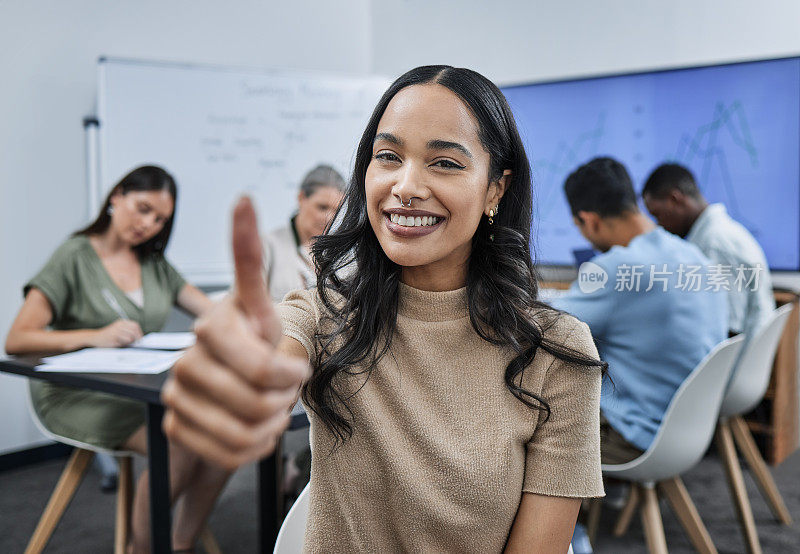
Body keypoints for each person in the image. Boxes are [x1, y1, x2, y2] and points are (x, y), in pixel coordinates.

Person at [162, 66, 607, 553]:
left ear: (495, 189)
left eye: (445, 163)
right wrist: (244, 376)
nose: (406, 186)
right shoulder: (325, 315)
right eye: (388, 157)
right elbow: (279, 351)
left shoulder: (556, 352)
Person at [5, 166, 229, 553]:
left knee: (225, 437)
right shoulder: (74, 256)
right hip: (76, 394)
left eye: (160, 219)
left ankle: (178, 543)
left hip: (136, 389)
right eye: (143, 209)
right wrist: (95, 336)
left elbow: (211, 312)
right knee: (179, 442)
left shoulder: (154, 263)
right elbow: (17, 339)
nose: (150, 225)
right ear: (116, 197)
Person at [551, 157, 728, 464]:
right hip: (689, 429)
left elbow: (546, 324)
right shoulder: (694, 255)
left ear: (589, 220)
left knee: (522, 415)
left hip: (635, 436)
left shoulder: (617, 267)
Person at [642, 163, 775, 337]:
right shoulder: (717, 233)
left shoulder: (714, 244)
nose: (659, 225)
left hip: (732, 359)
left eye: (657, 214)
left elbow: (729, 329)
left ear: (675, 199)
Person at [263, 164, 346, 302]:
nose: (329, 218)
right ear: (301, 198)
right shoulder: (268, 245)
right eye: (322, 207)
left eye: (336, 210)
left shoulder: (343, 251)